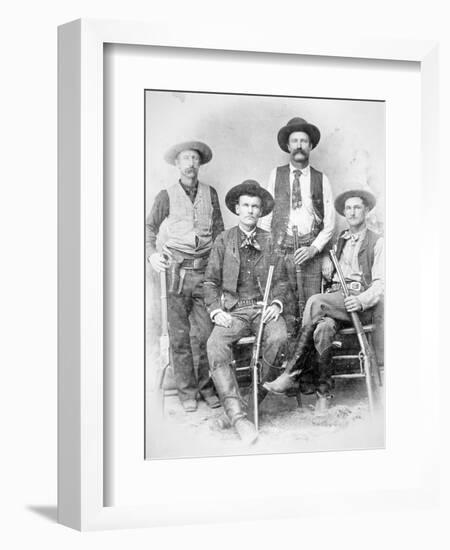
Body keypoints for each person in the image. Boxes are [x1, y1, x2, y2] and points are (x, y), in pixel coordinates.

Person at [264, 189, 384, 416]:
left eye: (357, 207)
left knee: (315, 301)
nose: (352, 212)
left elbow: (381, 285)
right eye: (348, 208)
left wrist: (360, 301)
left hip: (358, 305)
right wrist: (328, 261)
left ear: (366, 210)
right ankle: (323, 394)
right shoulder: (341, 241)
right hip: (336, 301)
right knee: (323, 329)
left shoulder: (377, 242)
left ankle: (292, 372)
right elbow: (333, 273)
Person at [204, 180, 289, 444]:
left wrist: (276, 304)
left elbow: (282, 282)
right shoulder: (224, 240)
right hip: (235, 311)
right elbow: (210, 282)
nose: (251, 210)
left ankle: (248, 406)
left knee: (279, 338)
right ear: (237, 209)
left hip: (263, 309)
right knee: (215, 345)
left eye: (255, 206)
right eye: (246, 205)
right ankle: (239, 418)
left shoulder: (271, 240)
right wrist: (216, 310)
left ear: (261, 211)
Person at [146, 141, 224, 412]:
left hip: (204, 272)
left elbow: (219, 234)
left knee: (205, 334)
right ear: (177, 164)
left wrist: (218, 268)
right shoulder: (165, 195)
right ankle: (186, 392)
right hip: (176, 273)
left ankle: (207, 388)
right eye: (185, 159)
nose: (191, 163)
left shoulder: (210, 193)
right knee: (179, 336)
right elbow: (149, 228)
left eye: (195, 159)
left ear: (199, 164)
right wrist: (151, 254)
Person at [259, 117, 335, 326]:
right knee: (285, 307)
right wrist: (266, 251)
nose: (299, 146)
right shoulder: (276, 174)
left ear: (310, 146)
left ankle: (308, 359)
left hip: (309, 253)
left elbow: (329, 224)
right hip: (281, 252)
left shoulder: (321, 179)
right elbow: (266, 216)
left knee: (311, 310)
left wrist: (314, 249)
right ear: (287, 146)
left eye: (303, 141)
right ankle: (289, 358)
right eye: (295, 141)